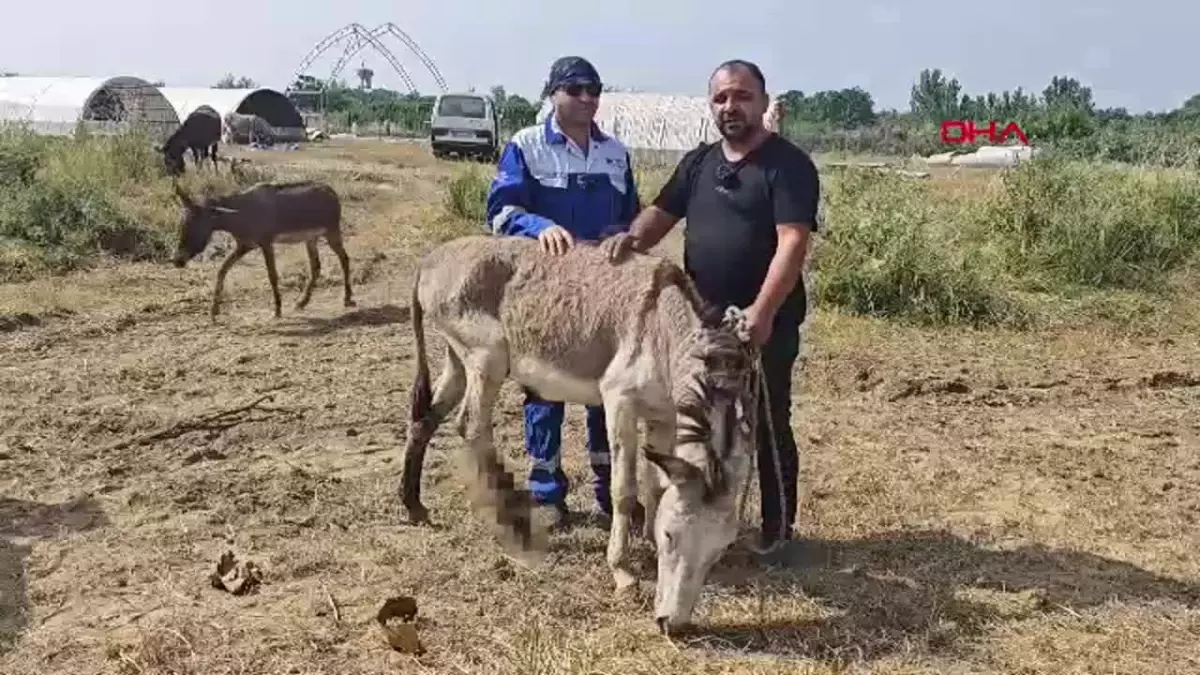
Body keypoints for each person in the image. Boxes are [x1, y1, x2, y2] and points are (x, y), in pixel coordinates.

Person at [600, 59, 819, 555]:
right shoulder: (699, 163)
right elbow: (661, 214)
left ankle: (779, 533)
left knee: (765, 421)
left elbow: (792, 242)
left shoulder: (788, 166)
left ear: (763, 102)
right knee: (703, 422)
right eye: (721, 98)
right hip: (700, 328)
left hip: (764, 324)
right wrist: (629, 240)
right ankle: (706, 524)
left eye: (741, 96)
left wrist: (762, 313)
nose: (730, 106)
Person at [484, 56, 641, 529]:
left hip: (603, 293)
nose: (587, 98)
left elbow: (633, 216)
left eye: (594, 89)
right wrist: (540, 225)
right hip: (544, 293)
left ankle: (610, 492)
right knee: (542, 387)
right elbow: (499, 213)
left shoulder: (615, 153)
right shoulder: (526, 146)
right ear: (552, 93)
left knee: (604, 390)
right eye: (575, 89)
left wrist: (622, 234)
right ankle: (546, 493)